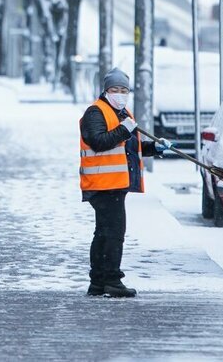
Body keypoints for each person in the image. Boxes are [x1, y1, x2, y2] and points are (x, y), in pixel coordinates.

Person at [79, 68, 171, 298]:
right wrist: (123, 129)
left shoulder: (122, 113)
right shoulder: (95, 113)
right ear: (106, 90)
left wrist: (154, 148)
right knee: (113, 233)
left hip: (113, 183)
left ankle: (99, 282)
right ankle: (111, 281)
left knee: (104, 233)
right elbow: (99, 142)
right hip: (102, 184)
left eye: (124, 90)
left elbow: (128, 149)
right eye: (115, 89)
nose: (120, 94)